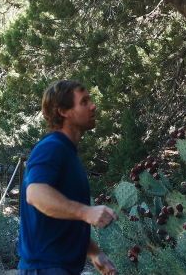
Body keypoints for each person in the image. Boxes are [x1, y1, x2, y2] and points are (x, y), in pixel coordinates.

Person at [18, 80, 117, 275]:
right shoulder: (52, 147)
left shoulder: (66, 152)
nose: (93, 105)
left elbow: (61, 216)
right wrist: (86, 212)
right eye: (84, 101)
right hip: (46, 268)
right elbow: (35, 193)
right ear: (63, 111)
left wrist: (94, 252)